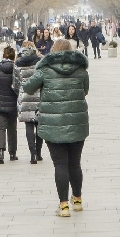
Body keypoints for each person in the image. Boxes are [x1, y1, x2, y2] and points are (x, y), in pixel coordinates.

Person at [23, 39, 89, 217]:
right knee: (75, 163)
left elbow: (28, 87)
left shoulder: (45, 69)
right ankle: (78, 200)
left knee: (60, 165)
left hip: (53, 124)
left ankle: (64, 205)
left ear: (53, 51)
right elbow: (85, 90)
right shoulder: (81, 69)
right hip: (77, 121)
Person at [13, 43, 43, 164]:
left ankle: (32, 154)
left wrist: (20, 92)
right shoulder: (39, 62)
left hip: (25, 96)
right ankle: (39, 152)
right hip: (39, 96)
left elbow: (15, 84)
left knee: (28, 126)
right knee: (39, 124)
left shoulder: (17, 64)